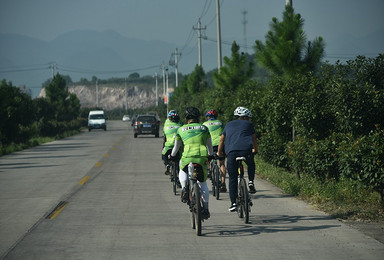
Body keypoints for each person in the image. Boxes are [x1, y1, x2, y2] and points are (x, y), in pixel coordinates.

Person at [170, 107, 213, 220]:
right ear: (198, 117)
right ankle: (206, 209)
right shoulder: (204, 128)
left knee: (182, 169)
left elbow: (176, 148)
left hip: (187, 157)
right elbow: (209, 146)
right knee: (203, 183)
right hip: (201, 157)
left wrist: (172, 156)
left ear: (186, 118)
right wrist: (210, 156)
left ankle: (184, 188)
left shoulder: (180, 130)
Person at [217, 106, 258, 212]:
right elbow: (254, 138)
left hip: (231, 152)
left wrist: (219, 152)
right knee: (251, 163)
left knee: (232, 178)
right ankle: (251, 182)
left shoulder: (229, 124)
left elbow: (222, 140)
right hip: (246, 150)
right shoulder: (249, 124)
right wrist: (255, 149)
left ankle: (233, 203)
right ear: (245, 118)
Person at [203, 110, 227, 192]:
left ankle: (209, 169)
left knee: (209, 157)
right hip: (220, 144)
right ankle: (223, 182)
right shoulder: (220, 123)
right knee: (222, 163)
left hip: (210, 144)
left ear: (207, 117)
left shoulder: (204, 124)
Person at [162, 110, 182, 176]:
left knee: (163, 155)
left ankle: (167, 164)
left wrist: (163, 146)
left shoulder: (166, 125)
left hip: (168, 146)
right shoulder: (180, 124)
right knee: (179, 159)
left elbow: (164, 137)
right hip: (178, 145)